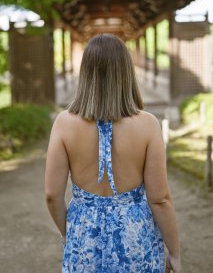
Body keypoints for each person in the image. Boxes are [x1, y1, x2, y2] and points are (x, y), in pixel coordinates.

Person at [45, 33, 181, 273]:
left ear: (85, 72)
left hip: (83, 237)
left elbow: (52, 195)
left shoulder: (64, 123)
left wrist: (74, 233)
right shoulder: (147, 124)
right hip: (136, 237)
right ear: (126, 72)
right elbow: (159, 199)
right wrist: (175, 253)